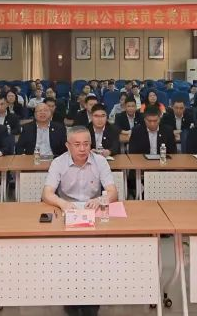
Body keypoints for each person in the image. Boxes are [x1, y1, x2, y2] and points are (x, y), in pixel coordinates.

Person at [41, 127, 119, 316]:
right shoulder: (59, 162)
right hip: (67, 213)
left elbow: (113, 192)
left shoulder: (100, 161)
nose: (82, 149)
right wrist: (62, 204)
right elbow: (46, 194)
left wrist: (101, 200)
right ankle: (70, 298)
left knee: (94, 256)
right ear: (68, 146)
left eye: (86, 144)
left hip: (94, 213)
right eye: (77, 145)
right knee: (68, 256)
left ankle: (92, 298)